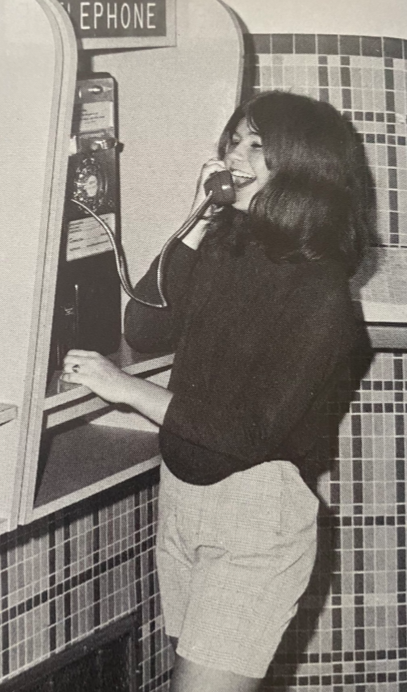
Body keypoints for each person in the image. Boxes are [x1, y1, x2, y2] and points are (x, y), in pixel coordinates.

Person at [61, 90, 370, 692]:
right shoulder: (230, 246)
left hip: (255, 512)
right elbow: (145, 327)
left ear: (307, 168)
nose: (236, 154)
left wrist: (122, 389)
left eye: (260, 145)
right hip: (182, 498)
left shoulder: (321, 291)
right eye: (235, 139)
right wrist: (198, 220)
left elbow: (246, 431)